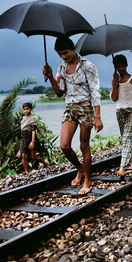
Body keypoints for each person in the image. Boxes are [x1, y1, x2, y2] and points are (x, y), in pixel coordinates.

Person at [43, 36, 103, 195]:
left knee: (84, 145)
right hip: (70, 107)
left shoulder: (87, 66)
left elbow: (95, 91)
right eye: (59, 54)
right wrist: (50, 77)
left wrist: (97, 116)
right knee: (64, 145)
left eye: (65, 52)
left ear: (73, 49)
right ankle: (80, 168)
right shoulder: (62, 68)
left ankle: (88, 181)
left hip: (85, 107)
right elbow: (59, 93)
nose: (63, 56)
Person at [18, 102, 49, 173]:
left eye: (28, 109)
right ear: (22, 110)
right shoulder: (22, 119)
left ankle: (45, 163)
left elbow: (33, 131)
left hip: (31, 138)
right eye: (24, 109)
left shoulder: (32, 118)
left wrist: (33, 141)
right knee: (24, 156)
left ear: (31, 109)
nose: (26, 111)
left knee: (33, 157)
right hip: (24, 139)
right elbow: (22, 130)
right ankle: (26, 171)